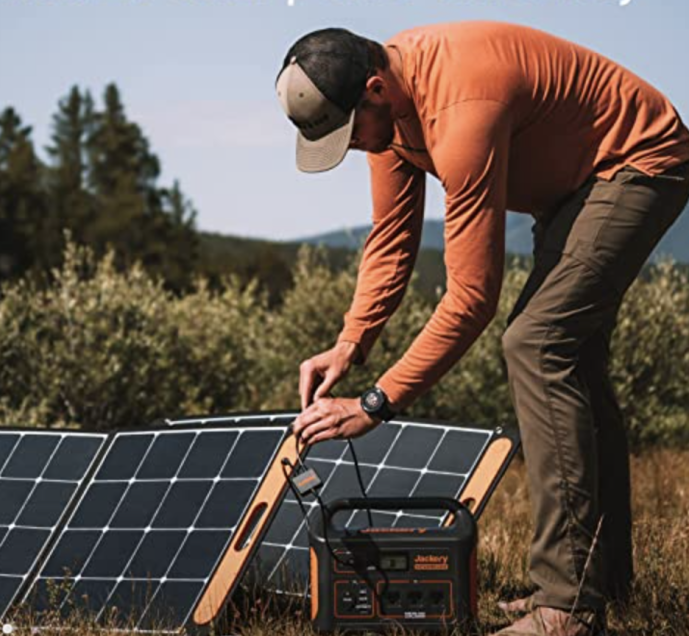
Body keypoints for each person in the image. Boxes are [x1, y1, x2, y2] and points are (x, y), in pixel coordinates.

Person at [277, 21, 689, 636]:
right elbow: (392, 240)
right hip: (572, 188)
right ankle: (604, 580)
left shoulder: (462, 108)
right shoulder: (388, 114)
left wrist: (375, 402)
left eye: (351, 132)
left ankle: (567, 606)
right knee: (569, 359)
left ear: (374, 90)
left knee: (537, 343)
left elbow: (472, 298)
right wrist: (350, 342)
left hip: (637, 162)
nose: (357, 148)